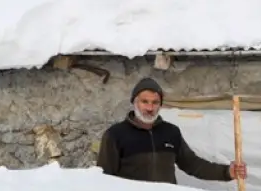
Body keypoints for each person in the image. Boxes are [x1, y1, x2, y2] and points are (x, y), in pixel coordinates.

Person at [95, 77, 248, 185]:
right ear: (134, 102)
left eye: (155, 102)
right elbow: (104, 179)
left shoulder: (170, 132)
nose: (150, 108)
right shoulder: (115, 135)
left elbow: (193, 165)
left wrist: (228, 172)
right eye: (144, 102)